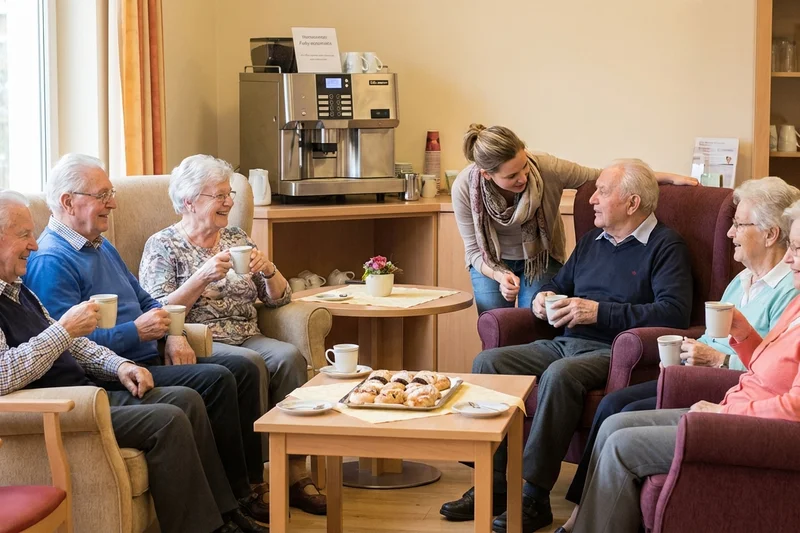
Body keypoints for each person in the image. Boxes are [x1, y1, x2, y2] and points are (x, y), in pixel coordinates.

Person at [440, 159, 694, 533]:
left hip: (613, 351)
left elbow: (673, 313)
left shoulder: (666, 246)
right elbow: (560, 284)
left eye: (603, 192)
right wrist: (544, 299)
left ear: (632, 202)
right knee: (489, 363)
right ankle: (493, 485)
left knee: (560, 376)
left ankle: (534, 497)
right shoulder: (593, 241)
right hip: (564, 342)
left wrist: (597, 313)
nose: (591, 199)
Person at [22, 154, 269, 523]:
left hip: (146, 354)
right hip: (111, 373)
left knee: (240, 370)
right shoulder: (52, 260)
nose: (113, 203)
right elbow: (68, 346)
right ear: (68, 202)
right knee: (216, 380)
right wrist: (133, 333)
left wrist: (173, 333)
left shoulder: (99, 244)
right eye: (102, 194)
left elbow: (146, 300)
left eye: (112, 192)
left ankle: (241, 494)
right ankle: (230, 507)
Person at [556, 175, 800, 533]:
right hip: (733, 404)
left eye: (797, 249)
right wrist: (744, 334)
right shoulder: (795, 302)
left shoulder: (787, 292)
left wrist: (725, 406)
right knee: (613, 423)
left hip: (747, 423)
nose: (790, 258)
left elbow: (794, 407)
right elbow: (769, 365)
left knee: (621, 441)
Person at [139, 154, 326, 515]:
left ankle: (296, 472)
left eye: (229, 194)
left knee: (288, 358)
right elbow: (157, 309)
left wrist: (269, 270)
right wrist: (201, 277)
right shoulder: (163, 246)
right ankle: (255, 482)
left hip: (248, 332)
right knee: (252, 365)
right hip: (204, 340)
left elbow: (279, 300)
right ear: (189, 201)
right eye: (218, 195)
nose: (228, 202)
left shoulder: (236, 236)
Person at [452, 124, 697, 314]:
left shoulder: (547, 168)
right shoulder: (465, 188)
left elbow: (603, 177)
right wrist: (497, 275)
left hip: (540, 257)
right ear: (486, 174)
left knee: (533, 322)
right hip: (491, 261)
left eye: (524, 166)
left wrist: (665, 178)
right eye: (512, 175)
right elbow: (474, 250)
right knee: (494, 326)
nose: (524, 178)